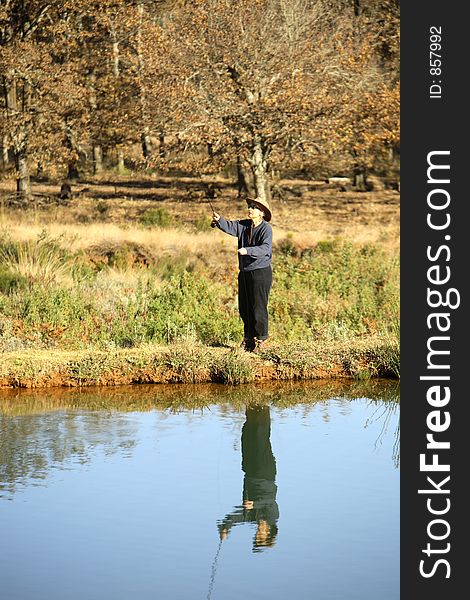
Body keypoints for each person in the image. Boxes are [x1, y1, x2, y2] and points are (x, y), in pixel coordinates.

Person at [211, 197, 273, 352]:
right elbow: (230, 226)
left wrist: (248, 250)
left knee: (258, 307)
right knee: (244, 307)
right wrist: (219, 220)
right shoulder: (244, 225)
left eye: (254, 207)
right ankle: (249, 339)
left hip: (261, 272)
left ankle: (261, 340)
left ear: (262, 213)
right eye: (250, 206)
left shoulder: (266, 229)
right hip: (244, 272)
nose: (250, 209)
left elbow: (265, 248)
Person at [217, 405, 279, 552]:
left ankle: (252, 406)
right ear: (268, 532)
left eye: (256, 537)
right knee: (260, 436)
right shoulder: (273, 515)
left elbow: (241, 516)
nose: (257, 534)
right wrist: (255, 504)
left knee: (247, 436)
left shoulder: (254, 517)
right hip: (265, 472)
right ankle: (262, 407)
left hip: (250, 472)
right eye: (260, 537)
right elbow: (268, 501)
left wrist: (226, 525)